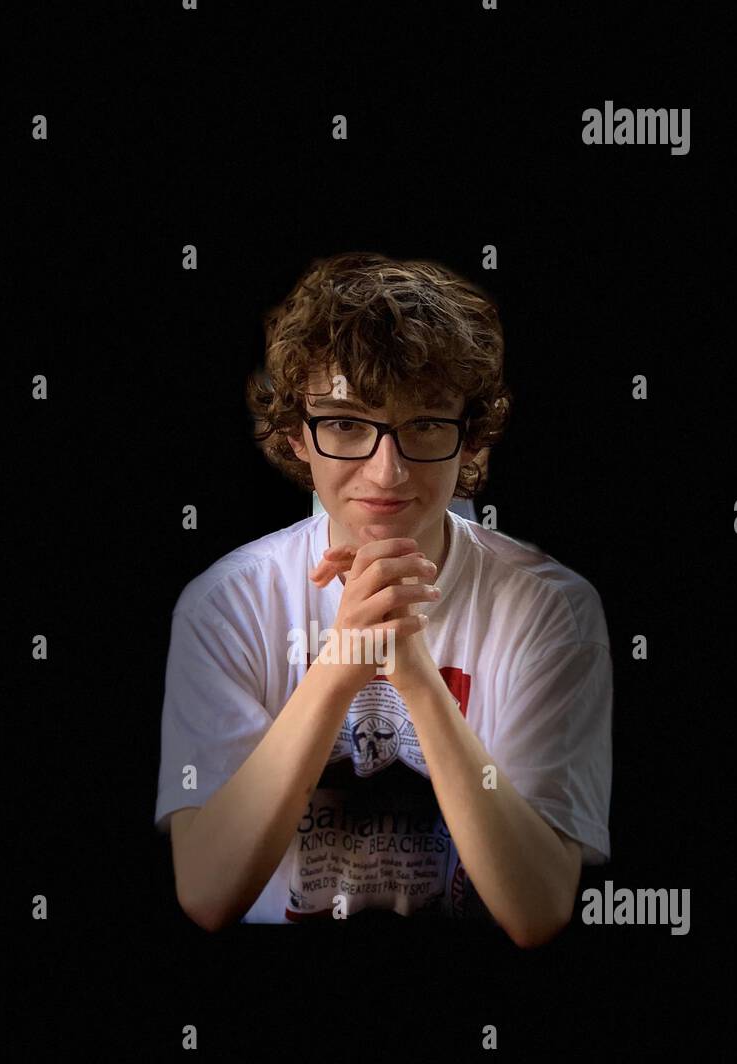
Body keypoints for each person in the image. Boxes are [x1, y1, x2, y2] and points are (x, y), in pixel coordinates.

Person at [154, 251, 612, 945]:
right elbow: (209, 893)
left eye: (425, 424)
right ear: (294, 437)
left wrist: (414, 675)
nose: (386, 470)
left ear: (472, 436)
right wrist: (344, 659)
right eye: (344, 424)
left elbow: (537, 910)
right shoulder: (225, 602)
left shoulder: (550, 607)